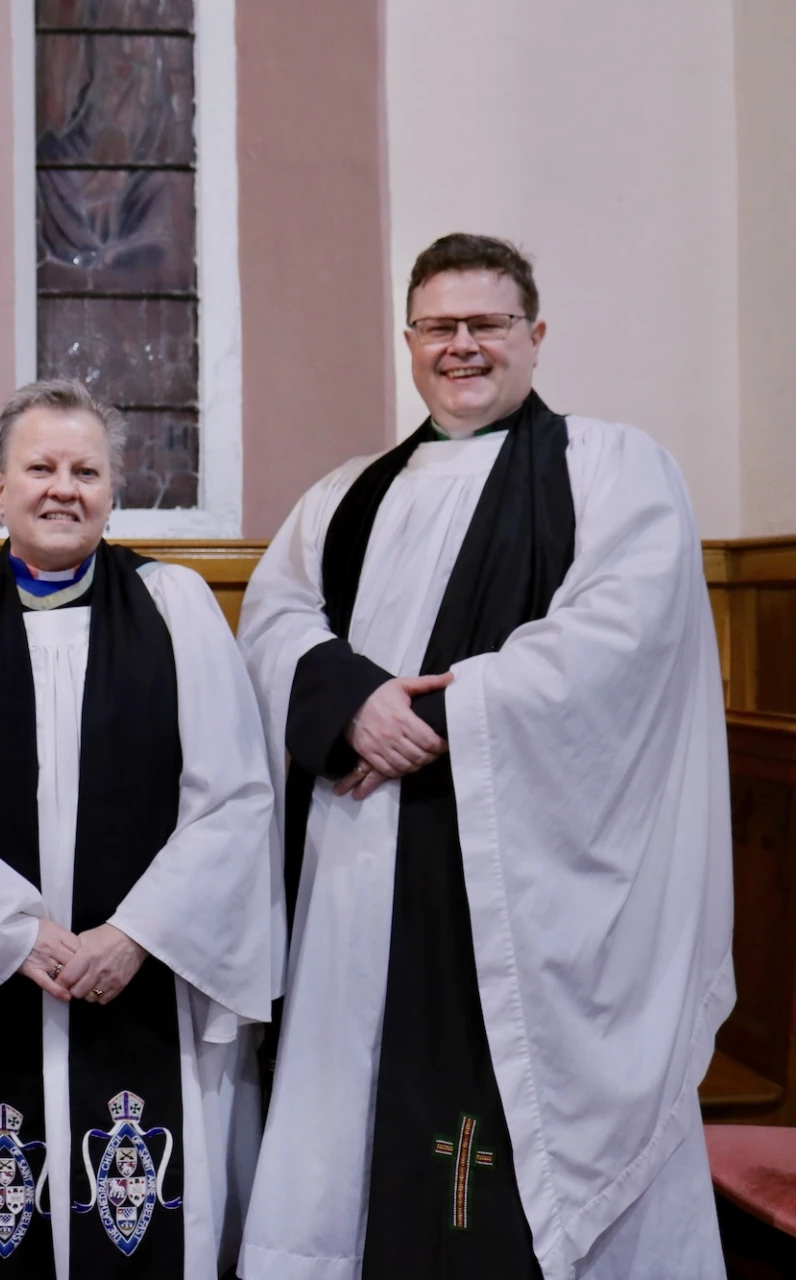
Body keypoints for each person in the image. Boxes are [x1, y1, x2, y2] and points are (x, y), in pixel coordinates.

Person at [236, 234, 731, 1279]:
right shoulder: (345, 496)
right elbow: (274, 621)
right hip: (360, 867)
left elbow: (623, 636)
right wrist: (348, 701)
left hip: (527, 880)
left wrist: (446, 713)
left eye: (487, 325)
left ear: (535, 336)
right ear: (408, 342)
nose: (461, 346)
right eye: (439, 327)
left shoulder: (611, 466)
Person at [0, 378, 278, 1278]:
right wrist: (9, 935)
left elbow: (233, 798)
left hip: (141, 979)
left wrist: (137, 933)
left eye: (86, 470)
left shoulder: (177, 609)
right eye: (39, 467)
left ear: (114, 490)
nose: (63, 488)